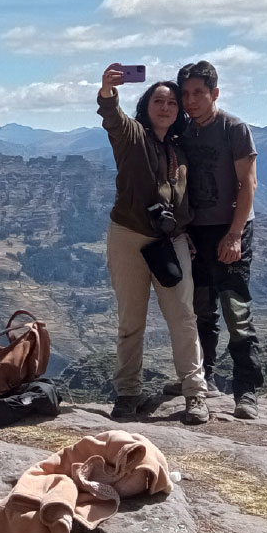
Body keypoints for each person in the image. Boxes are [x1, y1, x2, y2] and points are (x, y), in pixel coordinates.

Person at [97, 64, 209, 425]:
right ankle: (128, 394)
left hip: (170, 240)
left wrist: (184, 229)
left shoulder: (181, 149)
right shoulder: (133, 138)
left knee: (183, 315)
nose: (166, 107)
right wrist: (108, 91)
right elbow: (113, 118)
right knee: (131, 320)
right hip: (128, 237)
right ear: (146, 107)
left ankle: (195, 393)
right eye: (158, 101)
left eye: (172, 103)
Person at [175, 60, 263, 419]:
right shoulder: (184, 132)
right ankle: (205, 378)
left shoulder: (233, 128)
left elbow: (248, 184)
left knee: (235, 311)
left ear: (215, 93)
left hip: (231, 229)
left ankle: (247, 390)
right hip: (196, 232)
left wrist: (234, 234)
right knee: (200, 310)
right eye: (186, 94)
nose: (191, 100)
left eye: (198, 92)